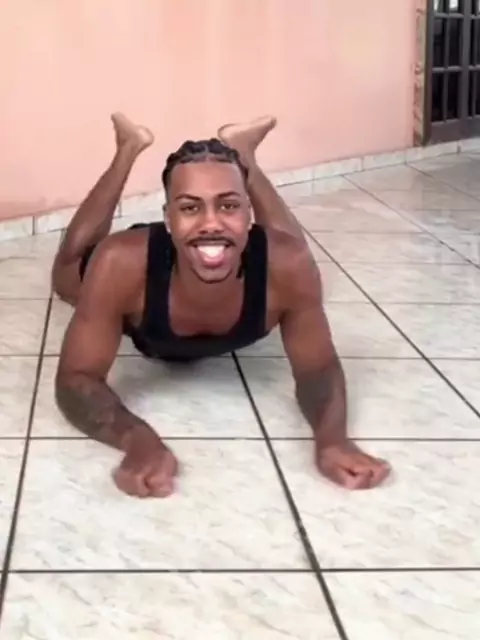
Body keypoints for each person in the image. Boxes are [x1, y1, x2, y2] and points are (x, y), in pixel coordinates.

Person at [53, 112, 391, 499]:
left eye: (229, 206)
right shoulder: (121, 263)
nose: (211, 223)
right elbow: (76, 378)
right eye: (190, 207)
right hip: (143, 284)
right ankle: (127, 150)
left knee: (291, 253)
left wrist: (332, 440)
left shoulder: (287, 265)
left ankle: (243, 152)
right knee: (67, 272)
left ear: (250, 216)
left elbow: (318, 368)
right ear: (167, 219)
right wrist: (138, 440)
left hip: (266, 253)